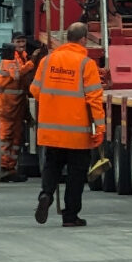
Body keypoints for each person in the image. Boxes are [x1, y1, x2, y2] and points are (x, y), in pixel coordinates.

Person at [29, 22, 104, 227]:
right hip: (77, 133)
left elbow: (34, 91)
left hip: (50, 131)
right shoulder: (85, 64)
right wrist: (100, 128)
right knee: (76, 175)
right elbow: (94, 99)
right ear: (83, 39)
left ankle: (46, 194)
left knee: (51, 167)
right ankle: (70, 216)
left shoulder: (47, 60)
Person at [0, 34, 35, 181]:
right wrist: (32, 63)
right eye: (18, 41)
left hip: (17, 104)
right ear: (12, 43)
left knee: (17, 137)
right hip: (7, 105)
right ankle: (3, 167)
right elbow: (17, 75)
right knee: (6, 136)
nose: (21, 44)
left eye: (23, 41)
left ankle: (10, 168)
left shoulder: (22, 56)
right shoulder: (9, 59)